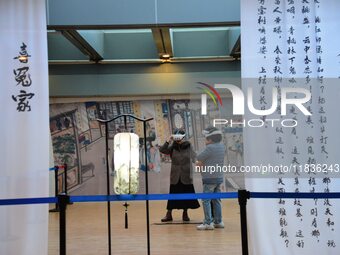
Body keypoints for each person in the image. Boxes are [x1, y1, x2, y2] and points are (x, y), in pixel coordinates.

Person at [159, 129, 200, 222]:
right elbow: (162, 150)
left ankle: (185, 214)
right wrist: (168, 140)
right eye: (175, 136)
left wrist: (199, 163)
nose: (177, 139)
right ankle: (169, 214)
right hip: (175, 175)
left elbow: (194, 157)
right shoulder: (172, 146)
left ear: (183, 137)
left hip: (186, 175)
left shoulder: (188, 146)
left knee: (186, 195)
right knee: (173, 195)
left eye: (179, 137)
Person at [196, 126, 225, 230]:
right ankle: (218, 221)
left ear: (210, 139)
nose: (205, 140)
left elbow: (199, 157)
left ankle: (208, 222)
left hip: (209, 178)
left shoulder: (210, 148)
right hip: (218, 177)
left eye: (206, 139)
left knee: (206, 200)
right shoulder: (222, 146)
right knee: (217, 200)